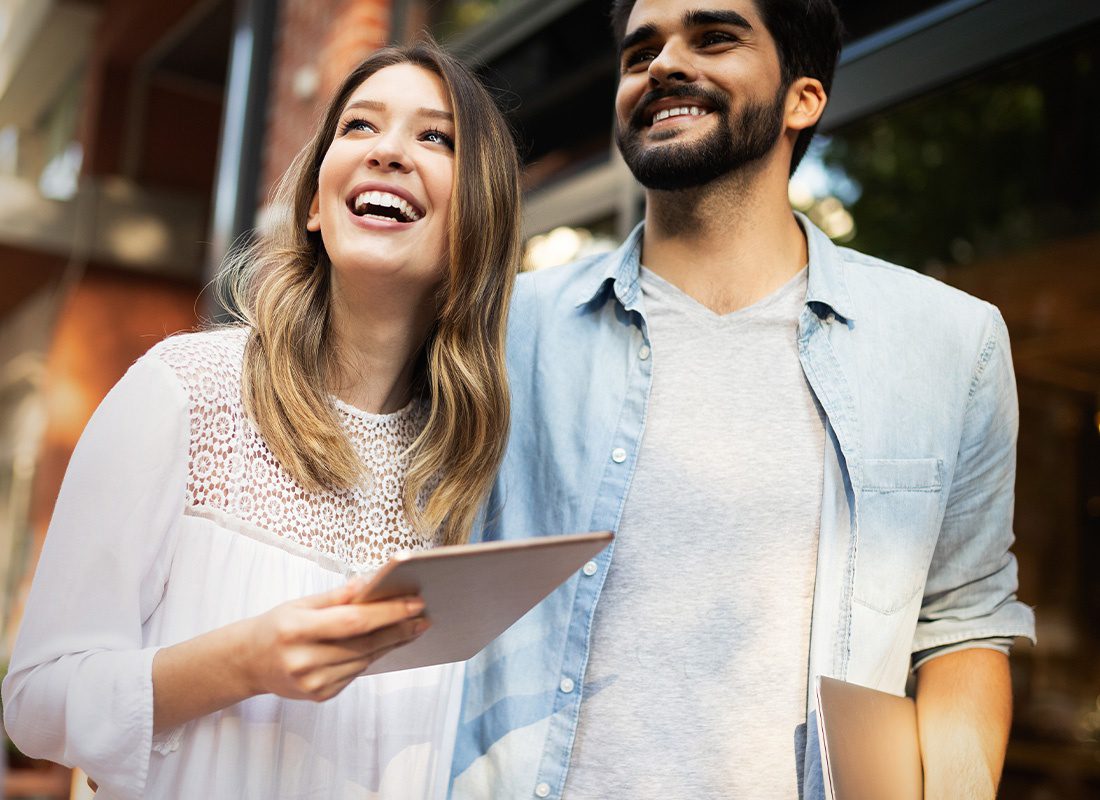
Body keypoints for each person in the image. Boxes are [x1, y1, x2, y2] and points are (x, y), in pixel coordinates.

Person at [449, 1, 1035, 798]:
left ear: (804, 97)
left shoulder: (948, 345)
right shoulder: (506, 332)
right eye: (639, 52)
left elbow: (962, 625)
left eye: (714, 37)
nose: (661, 65)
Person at [2, 40, 520, 799]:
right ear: (314, 203)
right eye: (360, 127)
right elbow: (35, 704)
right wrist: (246, 661)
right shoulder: (183, 392)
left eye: (435, 137)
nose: (389, 153)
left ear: (482, 214)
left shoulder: (467, 476)